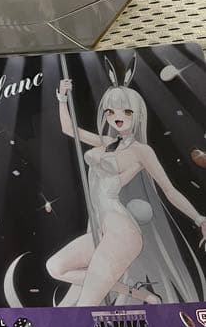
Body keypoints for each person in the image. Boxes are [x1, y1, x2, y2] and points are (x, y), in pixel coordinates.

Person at [49, 62, 206, 307]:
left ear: (137, 114)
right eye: (111, 112)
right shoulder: (106, 142)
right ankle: (141, 294)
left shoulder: (142, 151)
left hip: (122, 232)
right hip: (101, 230)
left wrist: (199, 219)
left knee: (86, 305)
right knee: (55, 267)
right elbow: (69, 129)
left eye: (126, 112)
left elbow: (169, 190)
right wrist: (62, 98)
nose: (117, 117)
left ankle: (136, 296)